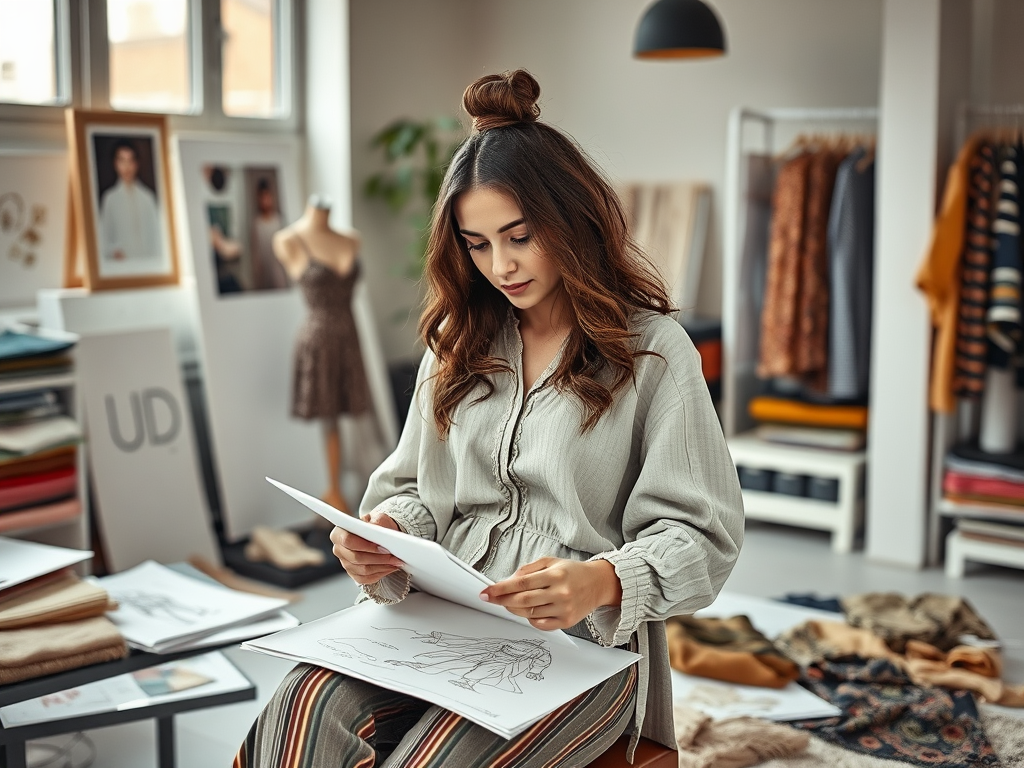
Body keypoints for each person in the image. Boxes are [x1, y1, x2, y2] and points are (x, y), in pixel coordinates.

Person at [235, 69, 743, 768]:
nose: (500, 265)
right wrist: (385, 536)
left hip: (579, 650)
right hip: (434, 619)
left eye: (519, 236)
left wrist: (602, 580)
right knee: (298, 711)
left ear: (571, 219)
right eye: (476, 245)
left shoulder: (651, 350)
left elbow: (703, 537)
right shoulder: (456, 340)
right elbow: (411, 489)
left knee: (431, 762)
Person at [98, 139, 162, 263]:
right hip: (122, 267)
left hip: (148, 264)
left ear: (136, 164)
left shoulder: (148, 197)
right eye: (122, 161)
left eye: (130, 161)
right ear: (116, 163)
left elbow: (156, 236)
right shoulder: (110, 198)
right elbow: (105, 236)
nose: (127, 167)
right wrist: (114, 251)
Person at [251, 179, 290, 290]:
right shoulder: (257, 223)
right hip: (264, 271)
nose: (265, 201)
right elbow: (256, 252)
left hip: (278, 269)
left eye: (267, 197)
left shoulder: (278, 220)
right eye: (262, 197)